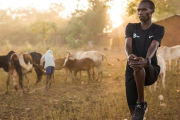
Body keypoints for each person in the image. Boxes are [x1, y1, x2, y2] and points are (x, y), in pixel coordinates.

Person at [125, 0, 165, 119]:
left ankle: (141, 103)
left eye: (144, 9)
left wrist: (147, 60)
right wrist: (129, 55)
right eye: (138, 10)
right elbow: (128, 45)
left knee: (140, 66)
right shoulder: (131, 27)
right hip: (131, 70)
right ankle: (138, 111)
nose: (140, 12)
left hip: (150, 69)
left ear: (151, 11)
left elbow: (153, 46)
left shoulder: (158, 29)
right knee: (134, 113)